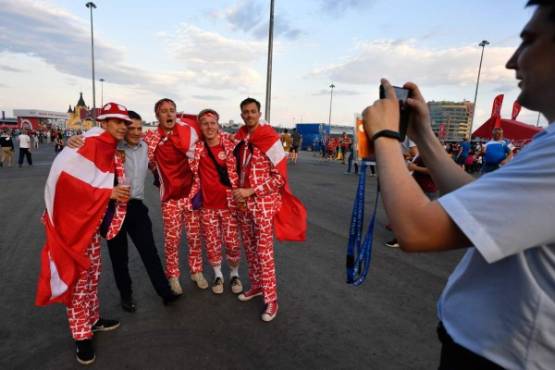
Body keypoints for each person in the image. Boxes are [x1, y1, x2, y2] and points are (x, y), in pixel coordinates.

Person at [362, 2, 555, 368]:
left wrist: (385, 136)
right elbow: (471, 201)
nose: (513, 61)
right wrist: (423, 135)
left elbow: (416, 231)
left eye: (529, 41)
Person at [35, 102, 131, 365]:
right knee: (77, 278)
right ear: (104, 122)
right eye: (117, 121)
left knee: (91, 274)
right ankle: (81, 335)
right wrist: (107, 193)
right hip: (72, 226)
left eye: (125, 122)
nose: (123, 126)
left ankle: (92, 319)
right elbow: (66, 182)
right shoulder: (90, 142)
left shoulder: (107, 145)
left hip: (88, 224)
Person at [66, 111, 180, 312]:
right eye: (131, 128)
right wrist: (74, 139)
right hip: (113, 207)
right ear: (125, 129)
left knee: (150, 252)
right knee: (119, 257)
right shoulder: (111, 146)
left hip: (136, 207)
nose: (136, 132)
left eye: (139, 128)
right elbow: (88, 148)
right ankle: (126, 296)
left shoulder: (147, 145)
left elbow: (171, 134)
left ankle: (165, 292)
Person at [233, 97, 307, 322]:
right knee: (250, 248)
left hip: (263, 205)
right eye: (245, 112)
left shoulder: (271, 139)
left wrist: (251, 191)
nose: (249, 115)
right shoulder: (239, 137)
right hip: (243, 205)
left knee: (264, 253)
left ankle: (271, 299)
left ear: (259, 112)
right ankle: (256, 286)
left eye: (252, 111)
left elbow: (279, 179)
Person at [144, 98, 207, 295]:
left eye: (172, 110)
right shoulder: (151, 139)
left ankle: (196, 272)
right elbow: (125, 145)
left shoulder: (189, 134)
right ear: (157, 115)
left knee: (194, 237)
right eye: (164, 111)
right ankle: (173, 276)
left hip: (191, 194)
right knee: (172, 240)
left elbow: (215, 138)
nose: (169, 114)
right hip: (170, 197)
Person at [189, 109, 243, 295]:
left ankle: (234, 274)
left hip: (230, 205)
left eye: (212, 123)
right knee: (212, 243)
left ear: (218, 125)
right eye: (205, 123)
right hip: (207, 206)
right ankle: (218, 274)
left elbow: (250, 144)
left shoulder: (230, 144)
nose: (209, 127)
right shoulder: (197, 148)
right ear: (201, 127)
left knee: (232, 243)